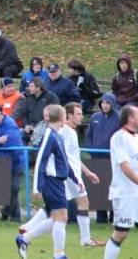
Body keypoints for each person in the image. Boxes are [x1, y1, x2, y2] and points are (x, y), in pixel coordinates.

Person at [21, 103, 103, 246]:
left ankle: (28, 231)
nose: (81, 116)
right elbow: (60, 158)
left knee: (57, 212)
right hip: (66, 176)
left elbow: (71, 156)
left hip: (70, 173)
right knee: (70, 209)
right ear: (68, 116)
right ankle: (83, 240)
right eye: (78, 114)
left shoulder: (69, 132)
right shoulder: (63, 132)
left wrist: (87, 171)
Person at [15, 104, 81, 259]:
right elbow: (40, 161)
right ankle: (59, 255)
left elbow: (64, 161)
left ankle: (24, 238)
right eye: (65, 114)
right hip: (52, 182)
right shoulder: (49, 135)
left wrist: (74, 178)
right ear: (62, 117)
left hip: (59, 181)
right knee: (61, 217)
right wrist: (37, 187)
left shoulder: (58, 135)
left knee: (57, 218)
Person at [102, 105, 138, 258]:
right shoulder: (119, 137)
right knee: (121, 233)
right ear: (130, 118)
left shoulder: (135, 137)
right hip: (124, 192)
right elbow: (125, 166)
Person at [86, 93, 121, 224]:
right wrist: (91, 150)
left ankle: (113, 217)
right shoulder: (95, 117)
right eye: (103, 103)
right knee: (98, 188)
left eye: (108, 103)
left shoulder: (119, 117)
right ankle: (101, 218)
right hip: (96, 159)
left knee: (112, 188)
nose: (105, 105)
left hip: (112, 160)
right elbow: (89, 135)